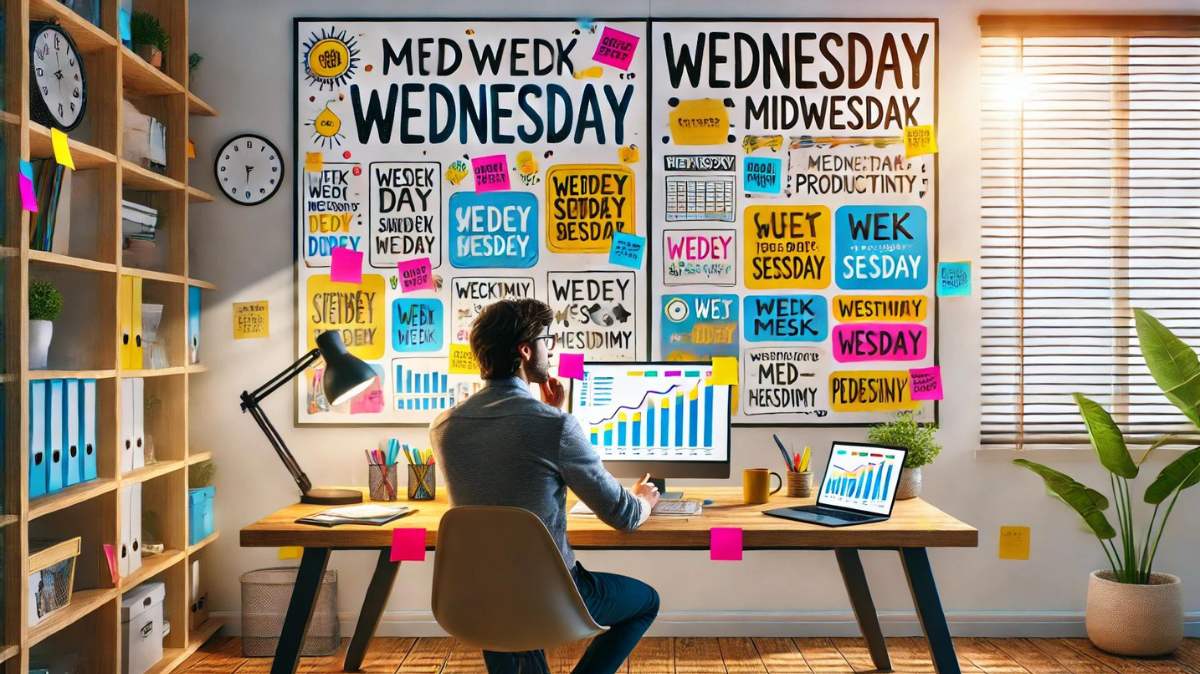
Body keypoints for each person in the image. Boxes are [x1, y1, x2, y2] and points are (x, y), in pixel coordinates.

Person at [431, 298, 661, 674]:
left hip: (477, 599)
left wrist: (550, 413)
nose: (550, 350)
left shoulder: (444, 427)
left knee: (505, 606)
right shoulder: (556, 427)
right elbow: (623, 516)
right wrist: (644, 499)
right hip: (549, 597)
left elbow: (503, 475)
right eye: (546, 341)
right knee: (646, 602)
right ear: (525, 351)